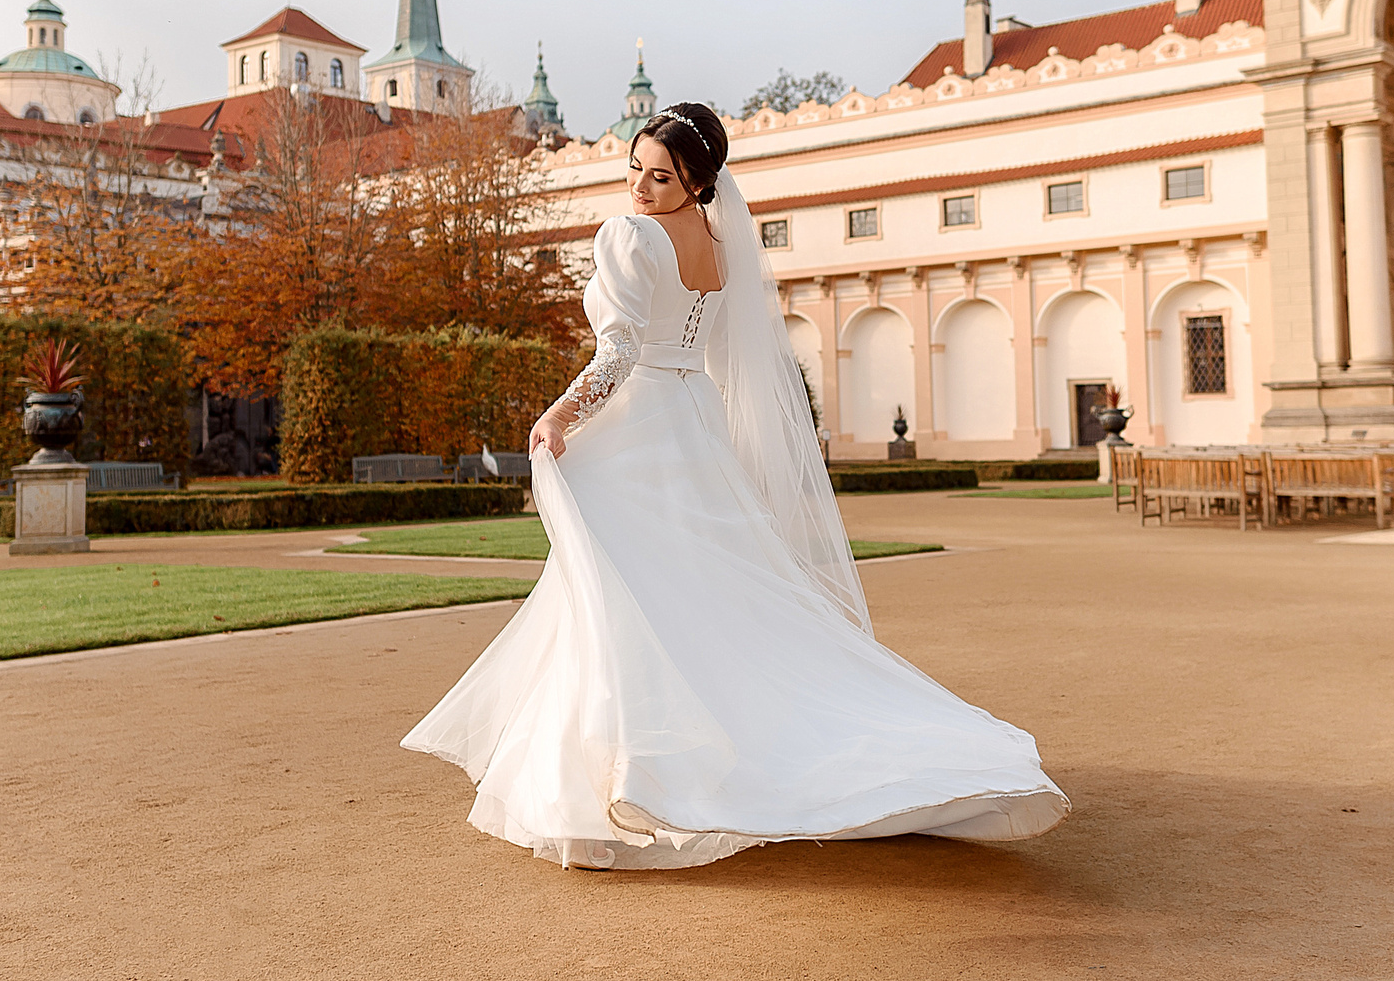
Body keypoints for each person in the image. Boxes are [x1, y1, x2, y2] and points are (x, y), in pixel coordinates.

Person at [402, 102, 1070, 869]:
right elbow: (715, 355)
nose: (641, 187)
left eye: (662, 176)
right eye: (635, 169)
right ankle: (647, 754)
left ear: (697, 181)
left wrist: (557, 415)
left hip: (637, 426)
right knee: (681, 593)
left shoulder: (627, 236)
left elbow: (619, 351)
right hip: (694, 424)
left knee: (620, 591)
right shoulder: (725, 249)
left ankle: (633, 767)